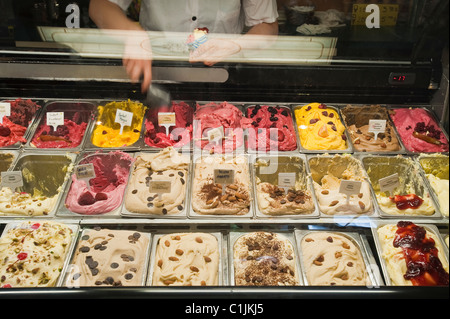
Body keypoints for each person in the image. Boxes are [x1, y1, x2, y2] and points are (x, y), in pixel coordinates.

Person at [89, 0, 279, 92]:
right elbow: (100, 5)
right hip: (155, 72)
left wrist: (237, 44)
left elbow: (267, 26)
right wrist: (131, 34)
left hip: (224, 74)